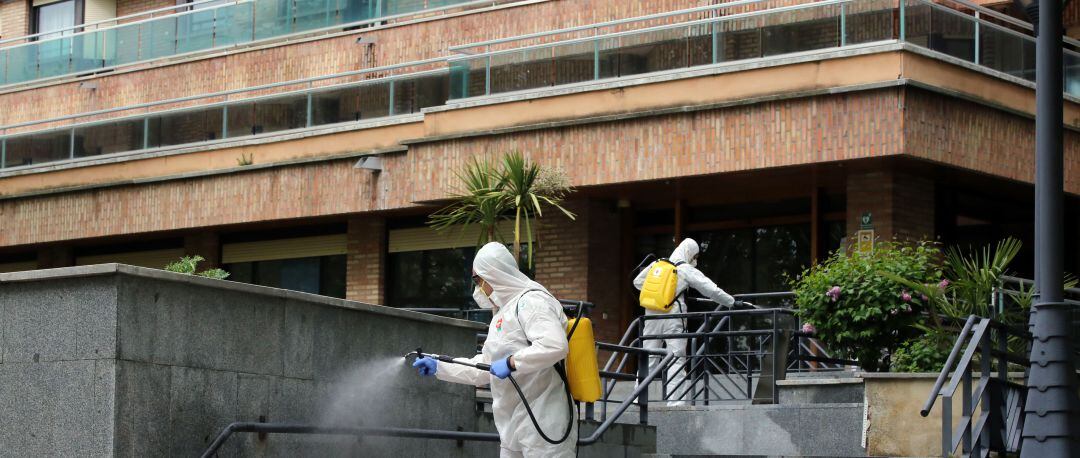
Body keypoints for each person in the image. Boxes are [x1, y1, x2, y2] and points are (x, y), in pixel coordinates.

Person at [412, 242, 576, 457]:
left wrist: (511, 363)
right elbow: (486, 368)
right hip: (513, 424)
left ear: (493, 274)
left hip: (544, 420)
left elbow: (553, 345)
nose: (477, 288)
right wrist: (440, 367)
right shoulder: (503, 312)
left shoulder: (532, 301)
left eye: (477, 280)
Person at [633, 238, 735, 405]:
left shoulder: (657, 264)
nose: (695, 260)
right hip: (673, 318)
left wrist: (660, 292)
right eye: (695, 256)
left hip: (651, 316)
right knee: (676, 358)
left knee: (648, 357)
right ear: (689, 253)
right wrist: (731, 302)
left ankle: (637, 398)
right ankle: (676, 402)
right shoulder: (684, 269)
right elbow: (710, 289)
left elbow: (637, 282)